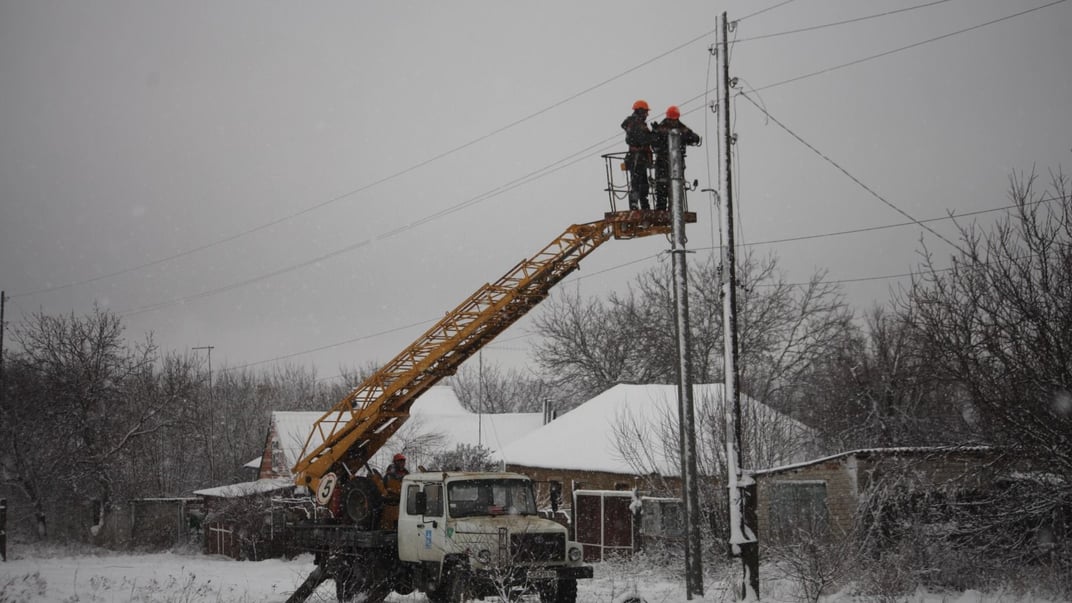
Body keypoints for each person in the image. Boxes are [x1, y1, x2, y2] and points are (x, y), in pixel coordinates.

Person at [651, 105, 701, 211]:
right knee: (664, 191)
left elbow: (694, 137)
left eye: (674, 119)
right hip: (667, 165)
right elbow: (654, 143)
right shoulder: (673, 128)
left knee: (670, 191)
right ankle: (664, 212)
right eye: (672, 119)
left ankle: (667, 212)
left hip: (670, 165)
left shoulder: (673, 128)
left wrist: (656, 133)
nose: (673, 121)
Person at [620, 99, 655, 210]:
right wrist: (653, 135)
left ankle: (642, 205)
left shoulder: (633, 123)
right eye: (645, 112)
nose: (647, 114)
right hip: (637, 157)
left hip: (637, 157)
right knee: (638, 183)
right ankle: (638, 204)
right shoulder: (636, 124)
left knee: (641, 183)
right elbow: (643, 139)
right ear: (640, 111)